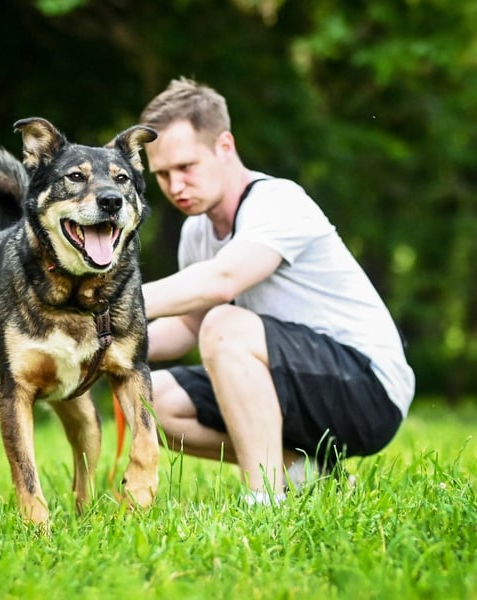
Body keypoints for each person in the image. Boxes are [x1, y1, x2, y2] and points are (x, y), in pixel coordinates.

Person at [139, 77, 415, 505]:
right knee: (153, 398)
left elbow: (223, 281)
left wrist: (110, 303)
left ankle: (264, 500)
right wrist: (100, 340)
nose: (175, 186)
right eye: (162, 174)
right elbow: (188, 325)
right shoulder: (197, 231)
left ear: (224, 147)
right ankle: (308, 474)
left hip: (368, 389)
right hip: (292, 383)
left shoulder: (278, 202)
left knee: (226, 325)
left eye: (186, 167)